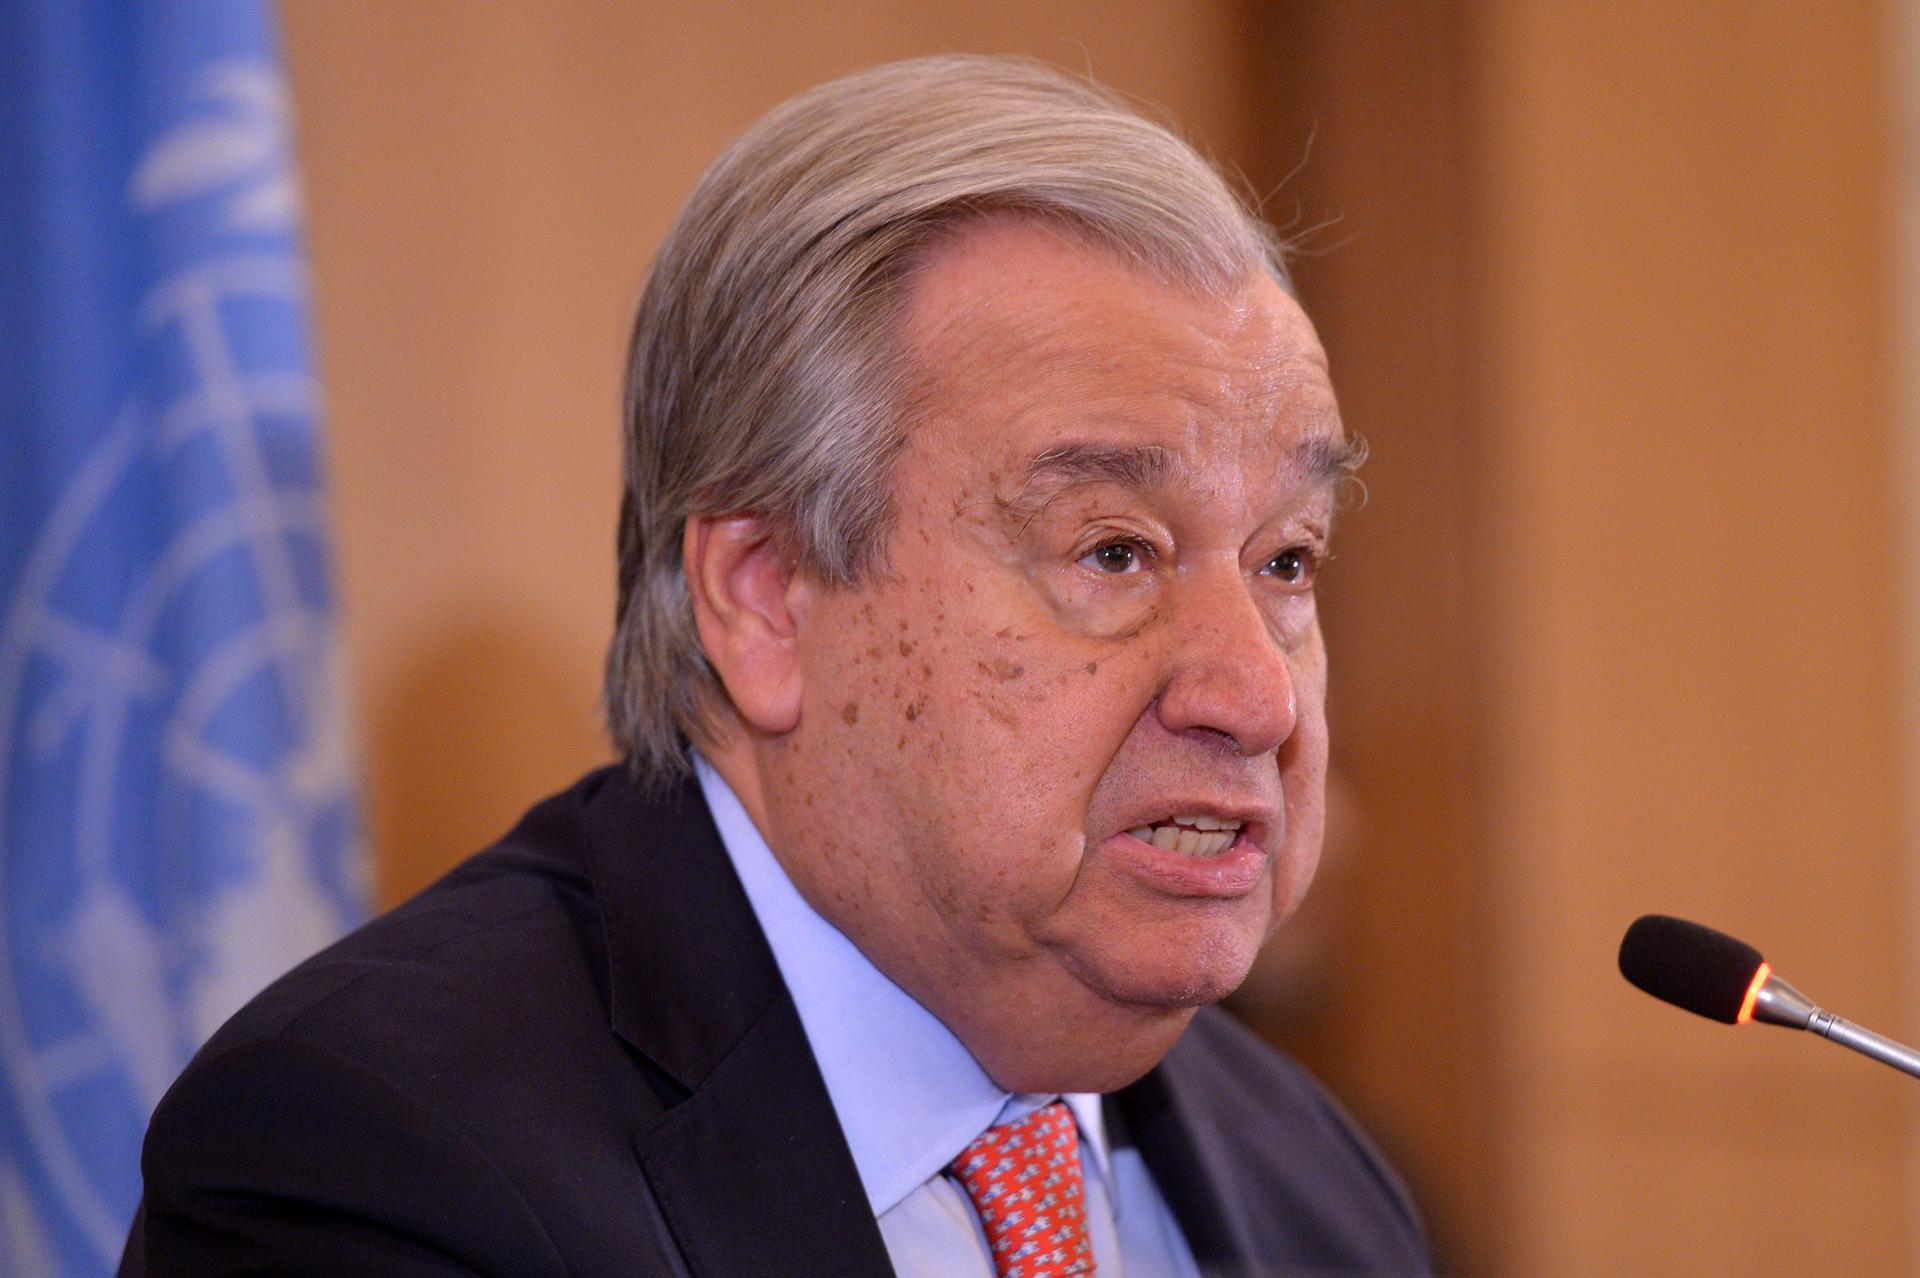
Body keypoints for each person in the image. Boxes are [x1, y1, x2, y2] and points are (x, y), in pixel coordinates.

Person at [122, 54, 1432, 1277]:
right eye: (1112, 553)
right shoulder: (368, 1160)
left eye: (1285, 563)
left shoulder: (1324, 1191)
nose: (1255, 694)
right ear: (763, 598)